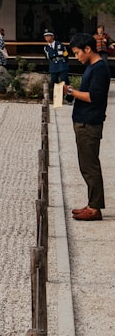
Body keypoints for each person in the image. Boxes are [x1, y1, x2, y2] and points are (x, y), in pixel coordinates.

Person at [64, 32, 111, 221]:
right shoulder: (92, 67)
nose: (77, 57)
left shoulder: (100, 68)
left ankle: (94, 208)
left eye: (77, 53)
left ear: (88, 49)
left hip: (89, 123)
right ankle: (92, 203)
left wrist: (73, 92)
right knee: (86, 165)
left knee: (90, 166)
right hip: (84, 121)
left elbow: (93, 97)